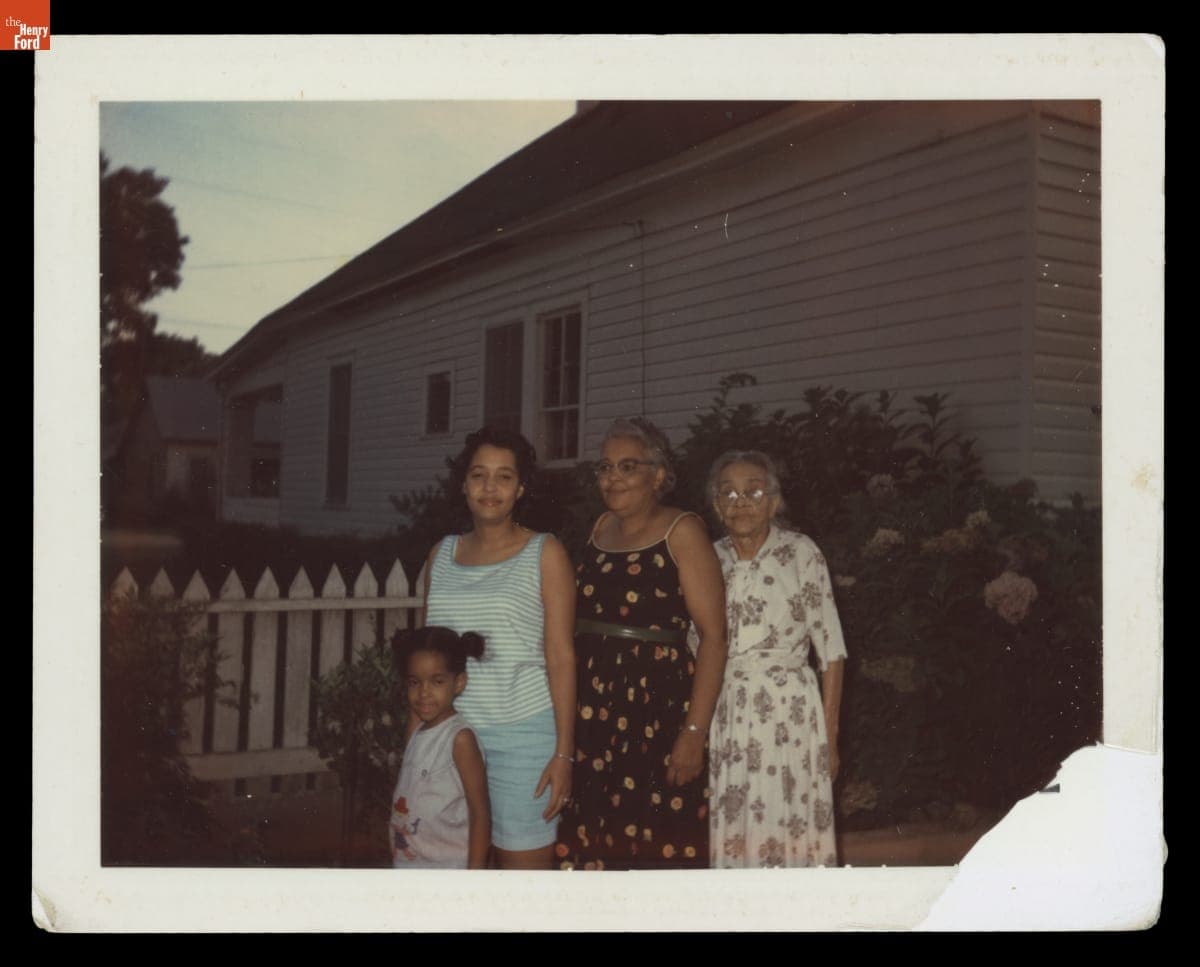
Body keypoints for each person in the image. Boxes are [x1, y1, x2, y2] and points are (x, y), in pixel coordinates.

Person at [557, 418, 727, 870]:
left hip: (656, 710)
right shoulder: (600, 527)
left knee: (655, 838)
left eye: (627, 466)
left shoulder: (683, 530)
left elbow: (714, 637)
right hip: (593, 711)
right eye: (605, 467)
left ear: (658, 475)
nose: (612, 477)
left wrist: (694, 733)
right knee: (594, 834)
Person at [421, 426, 576, 869]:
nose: (490, 488)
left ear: (521, 487)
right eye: (479, 475)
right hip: (451, 738)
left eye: (504, 476)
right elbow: (426, 663)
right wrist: (416, 742)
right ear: (463, 484)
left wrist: (564, 753)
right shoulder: (440, 555)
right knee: (452, 879)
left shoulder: (545, 553)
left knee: (521, 886)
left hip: (523, 742)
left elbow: (561, 657)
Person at [705, 450, 847, 868]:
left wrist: (830, 735)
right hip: (730, 711)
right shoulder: (708, 558)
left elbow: (831, 650)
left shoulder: (801, 552)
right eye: (729, 493)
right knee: (738, 828)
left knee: (793, 825)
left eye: (753, 491)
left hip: (792, 714)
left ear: (774, 501)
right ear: (717, 505)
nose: (741, 502)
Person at [389, 627, 491, 869]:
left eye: (437, 681)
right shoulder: (417, 733)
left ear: (459, 683)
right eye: (414, 682)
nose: (424, 693)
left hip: (449, 871)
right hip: (410, 866)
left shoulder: (460, 739)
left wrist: (475, 880)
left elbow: (480, 815)